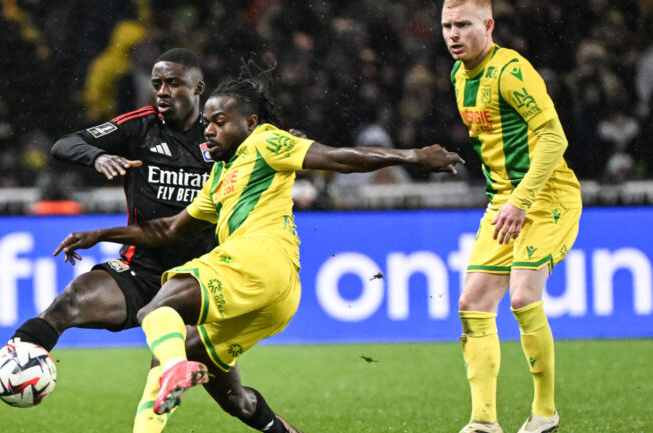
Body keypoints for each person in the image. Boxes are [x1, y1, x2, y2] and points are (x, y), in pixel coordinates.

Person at [53, 60, 463, 432]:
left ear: (249, 122)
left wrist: (412, 156)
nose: (209, 130)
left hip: (260, 259)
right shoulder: (218, 178)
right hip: (276, 298)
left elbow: (337, 158)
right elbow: (169, 230)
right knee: (224, 388)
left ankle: (178, 369)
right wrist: (102, 234)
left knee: (156, 311)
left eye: (219, 122)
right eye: (208, 122)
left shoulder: (266, 142)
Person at [0, 48, 305, 433]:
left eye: (173, 83)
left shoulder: (223, 135)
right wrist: (97, 157)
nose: (162, 91)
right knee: (68, 303)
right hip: (141, 269)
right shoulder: (140, 127)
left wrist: (292, 141)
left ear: (198, 87)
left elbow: (270, 144)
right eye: (157, 84)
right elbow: (64, 145)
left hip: (204, 278)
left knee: (235, 400)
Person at [440, 1, 582, 433]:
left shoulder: (511, 71)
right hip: (504, 201)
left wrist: (521, 201)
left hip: (547, 196)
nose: (453, 34)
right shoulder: (458, 76)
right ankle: (484, 422)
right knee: (472, 304)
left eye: (463, 24)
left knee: (522, 297)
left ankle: (545, 414)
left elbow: (554, 138)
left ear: (488, 25)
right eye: (446, 25)